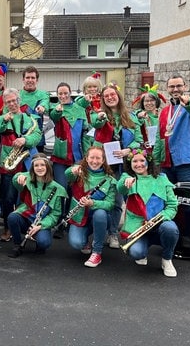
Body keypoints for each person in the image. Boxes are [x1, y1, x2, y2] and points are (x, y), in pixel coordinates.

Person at [90, 83, 143, 249]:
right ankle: (100, 232)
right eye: (106, 96)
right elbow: (95, 123)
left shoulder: (131, 117)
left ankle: (114, 233)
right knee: (106, 200)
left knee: (119, 201)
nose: (110, 97)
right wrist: (100, 117)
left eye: (112, 94)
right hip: (105, 166)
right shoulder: (100, 116)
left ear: (118, 96)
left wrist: (129, 150)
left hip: (124, 167)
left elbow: (140, 141)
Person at [117, 149, 180, 277]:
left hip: (159, 225)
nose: (138, 164)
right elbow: (121, 189)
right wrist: (126, 182)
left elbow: (172, 206)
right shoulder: (127, 177)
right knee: (136, 253)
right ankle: (143, 249)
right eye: (135, 161)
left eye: (142, 160)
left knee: (170, 228)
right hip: (139, 228)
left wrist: (162, 218)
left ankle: (167, 259)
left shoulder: (162, 178)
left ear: (148, 162)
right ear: (130, 164)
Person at [0, 88, 42, 242]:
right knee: (7, 198)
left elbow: (37, 136)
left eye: (14, 100)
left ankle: (24, 227)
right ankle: (8, 228)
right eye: (8, 101)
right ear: (5, 104)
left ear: (19, 100)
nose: (12, 103)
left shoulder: (30, 118)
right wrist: (5, 119)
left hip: (26, 164)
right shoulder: (1, 118)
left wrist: (25, 140)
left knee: (26, 198)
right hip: (8, 163)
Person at [48, 82, 91, 238]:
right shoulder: (56, 109)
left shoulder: (80, 110)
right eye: (60, 94)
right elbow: (54, 116)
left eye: (65, 93)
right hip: (61, 158)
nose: (63, 96)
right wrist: (58, 111)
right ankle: (59, 222)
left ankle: (71, 221)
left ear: (70, 93)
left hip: (78, 158)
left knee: (75, 191)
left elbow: (86, 133)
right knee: (61, 191)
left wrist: (86, 156)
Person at [6, 153, 67, 258]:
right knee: (12, 217)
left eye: (42, 165)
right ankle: (17, 244)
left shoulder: (57, 188)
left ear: (47, 167)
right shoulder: (27, 180)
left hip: (41, 222)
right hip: (26, 218)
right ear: (32, 168)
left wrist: (41, 226)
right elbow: (15, 180)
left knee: (44, 242)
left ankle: (39, 242)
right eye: (36, 165)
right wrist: (20, 176)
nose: (39, 168)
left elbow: (55, 215)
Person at [65, 146, 116, 267]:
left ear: (103, 160)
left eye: (98, 158)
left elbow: (110, 204)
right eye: (92, 157)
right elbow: (67, 174)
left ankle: (97, 252)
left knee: (100, 213)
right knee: (77, 243)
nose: (94, 161)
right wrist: (72, 169)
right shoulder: (79, 172)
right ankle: (85, 238)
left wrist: (93, 203)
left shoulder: (110, 180)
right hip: (80, 217)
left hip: (100, 218)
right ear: (86, 158)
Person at [158, 75, 190, 184]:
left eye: (179, 86)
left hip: (186, 161)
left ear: (185, 87)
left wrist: (188, 103)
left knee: (187, 197)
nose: (175, 89)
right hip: (167, 163)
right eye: (172, 86)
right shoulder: (164, 111)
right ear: (167, 89)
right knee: (168, 198)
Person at [19, 66, 50, 153]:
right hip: (20, 139)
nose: (30, 80)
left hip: (38, 140)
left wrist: (42, 107)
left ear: (37, 80)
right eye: (27, 77)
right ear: (23, 79)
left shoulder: (43, 94)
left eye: (33, 78)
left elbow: (45, 103)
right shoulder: (17, 95)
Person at [131, 84, 166, 157]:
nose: (149, 103)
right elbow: (134, 124)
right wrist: (139, 116)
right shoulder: (138, 115)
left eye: (152, 100)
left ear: (156, 102)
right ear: (143, 103)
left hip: (160, 151)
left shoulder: (162, 115)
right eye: (146, 101)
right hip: (143, 151)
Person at [75, 72, 104, 155]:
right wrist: (86, 100)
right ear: (85, 89)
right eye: (89, 87)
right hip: (86, 132)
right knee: (87, 155)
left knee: (99, 154)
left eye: (95, 86)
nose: (92, 89)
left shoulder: (102, 100)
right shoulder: (81, 98)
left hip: (100, 132)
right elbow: (79, 104)